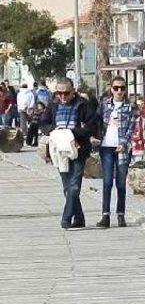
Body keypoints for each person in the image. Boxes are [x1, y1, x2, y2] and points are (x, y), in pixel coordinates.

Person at [40, 77, 97, 229]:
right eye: (59, 93)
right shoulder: (53, 105)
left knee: (74, 186)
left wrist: (72, 133)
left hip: (78, 149)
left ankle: (66, 218)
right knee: (67, 187)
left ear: (73, 91)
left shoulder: (83, 105)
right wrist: (53, 130)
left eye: (66, 93)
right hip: (59, 150)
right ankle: (79, 218)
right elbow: (43, 123)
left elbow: (91, 127)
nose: (63, 96)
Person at [96, 76, 139, 229]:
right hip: (106, 146)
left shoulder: (131, 107)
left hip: (122, 148)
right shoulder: (104, 104)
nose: (119, 91)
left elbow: (132, 127)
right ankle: (105, 215)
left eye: (122, 88)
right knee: (107, 182)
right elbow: (97, 121)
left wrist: (124, 143)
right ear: (111, 89)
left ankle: (121, 214)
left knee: (120, 183)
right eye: (116, 88)